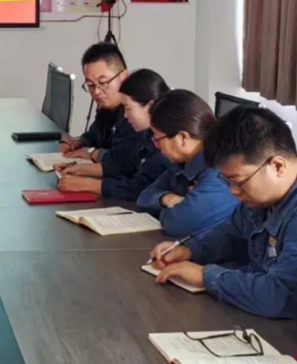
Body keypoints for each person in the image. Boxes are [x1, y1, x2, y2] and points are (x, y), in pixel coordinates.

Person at [150, 108, 297, 319]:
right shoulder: (261, 199)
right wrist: (189, 249)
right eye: (227, 181)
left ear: (277, 166)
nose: (233, 191)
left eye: (238, 181)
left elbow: (281, 296)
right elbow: (231, 233)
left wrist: (207, 277)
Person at [58, 69, 174, 199]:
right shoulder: (147, 135)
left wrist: (87, 185)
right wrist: (81, 169)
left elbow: (141, 188)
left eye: (128, 108)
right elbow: (129, 170)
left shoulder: (165, 143)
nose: (125, 115)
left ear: (150, 107)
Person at [137, 89, 238, 237]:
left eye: (158, 140)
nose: (157, 147)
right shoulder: (182, 163)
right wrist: (167, 198)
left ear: (183, 137)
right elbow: (144, 197)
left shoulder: (219, 171)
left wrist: (168, 210)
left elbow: (177, 224)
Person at [57, 42, 142, 181]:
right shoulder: (107, 109)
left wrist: (92, 152)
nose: (96, 92)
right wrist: (78, 143)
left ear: (124, 77)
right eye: (90, 85)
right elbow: (94, 135)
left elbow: (124, 164)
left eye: (103, 83)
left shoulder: (137, 113)